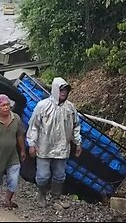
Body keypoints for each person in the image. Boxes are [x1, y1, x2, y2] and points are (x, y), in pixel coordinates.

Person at [26, 77, 82, 209]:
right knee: (43, 176)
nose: (64, 92)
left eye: (66, 90)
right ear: (56, 90)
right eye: (61, 89)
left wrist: (78, 143)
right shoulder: (42, 106)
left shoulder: (70, 108)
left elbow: (76, 126)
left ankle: (56, 197)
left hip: (62, 148)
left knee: (60, 176)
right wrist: (32, 144)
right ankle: (42, 194)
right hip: (44, 147)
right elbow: (34, 126)